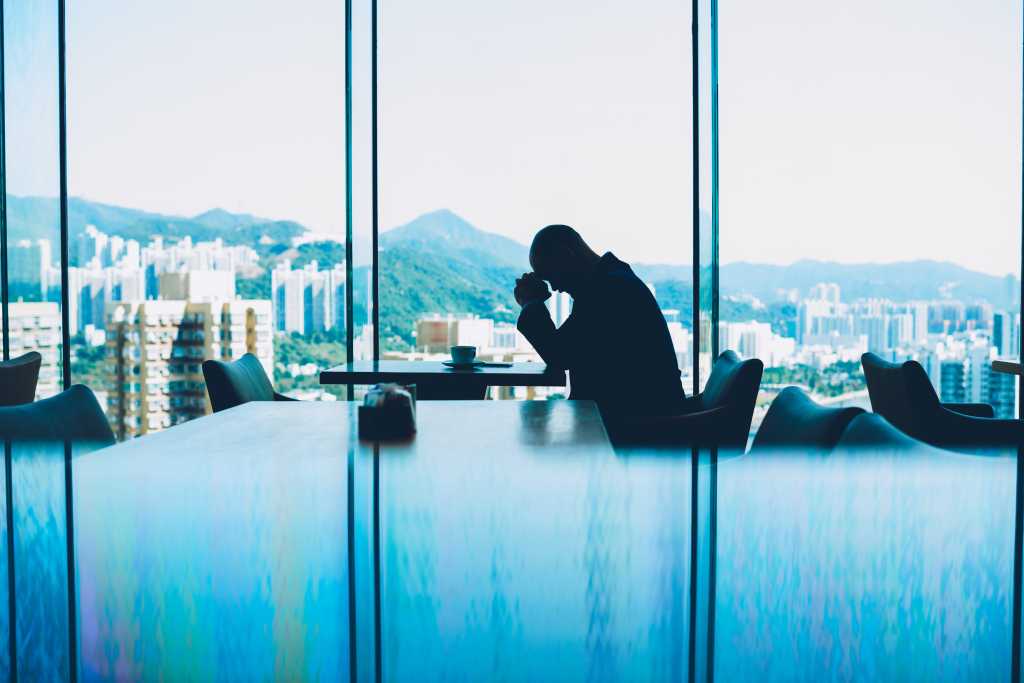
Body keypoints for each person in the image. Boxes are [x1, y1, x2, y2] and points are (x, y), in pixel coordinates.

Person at [514, 224, 686, 425]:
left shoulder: (608, 289)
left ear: (566, 255)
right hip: (634, 417)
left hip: (634, 427)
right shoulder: (612, 281)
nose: (555, 288)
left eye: (550, 275)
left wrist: (531, 303)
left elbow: (560, 354)